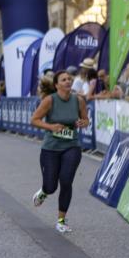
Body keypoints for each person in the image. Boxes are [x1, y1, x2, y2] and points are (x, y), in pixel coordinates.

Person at [30, 70, 90, 234]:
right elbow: (34, 120)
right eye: (64, 80)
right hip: (51, 147)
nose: (68, 81)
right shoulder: (49, 101)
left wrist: (82, 123)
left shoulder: (78, 100)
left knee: (66, 181)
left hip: (72, 145)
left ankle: (61, 220)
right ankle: (44, 192)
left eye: (69, 79)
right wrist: (51, 127)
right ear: (56, 85)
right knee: (51, 186)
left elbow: (86, 120)